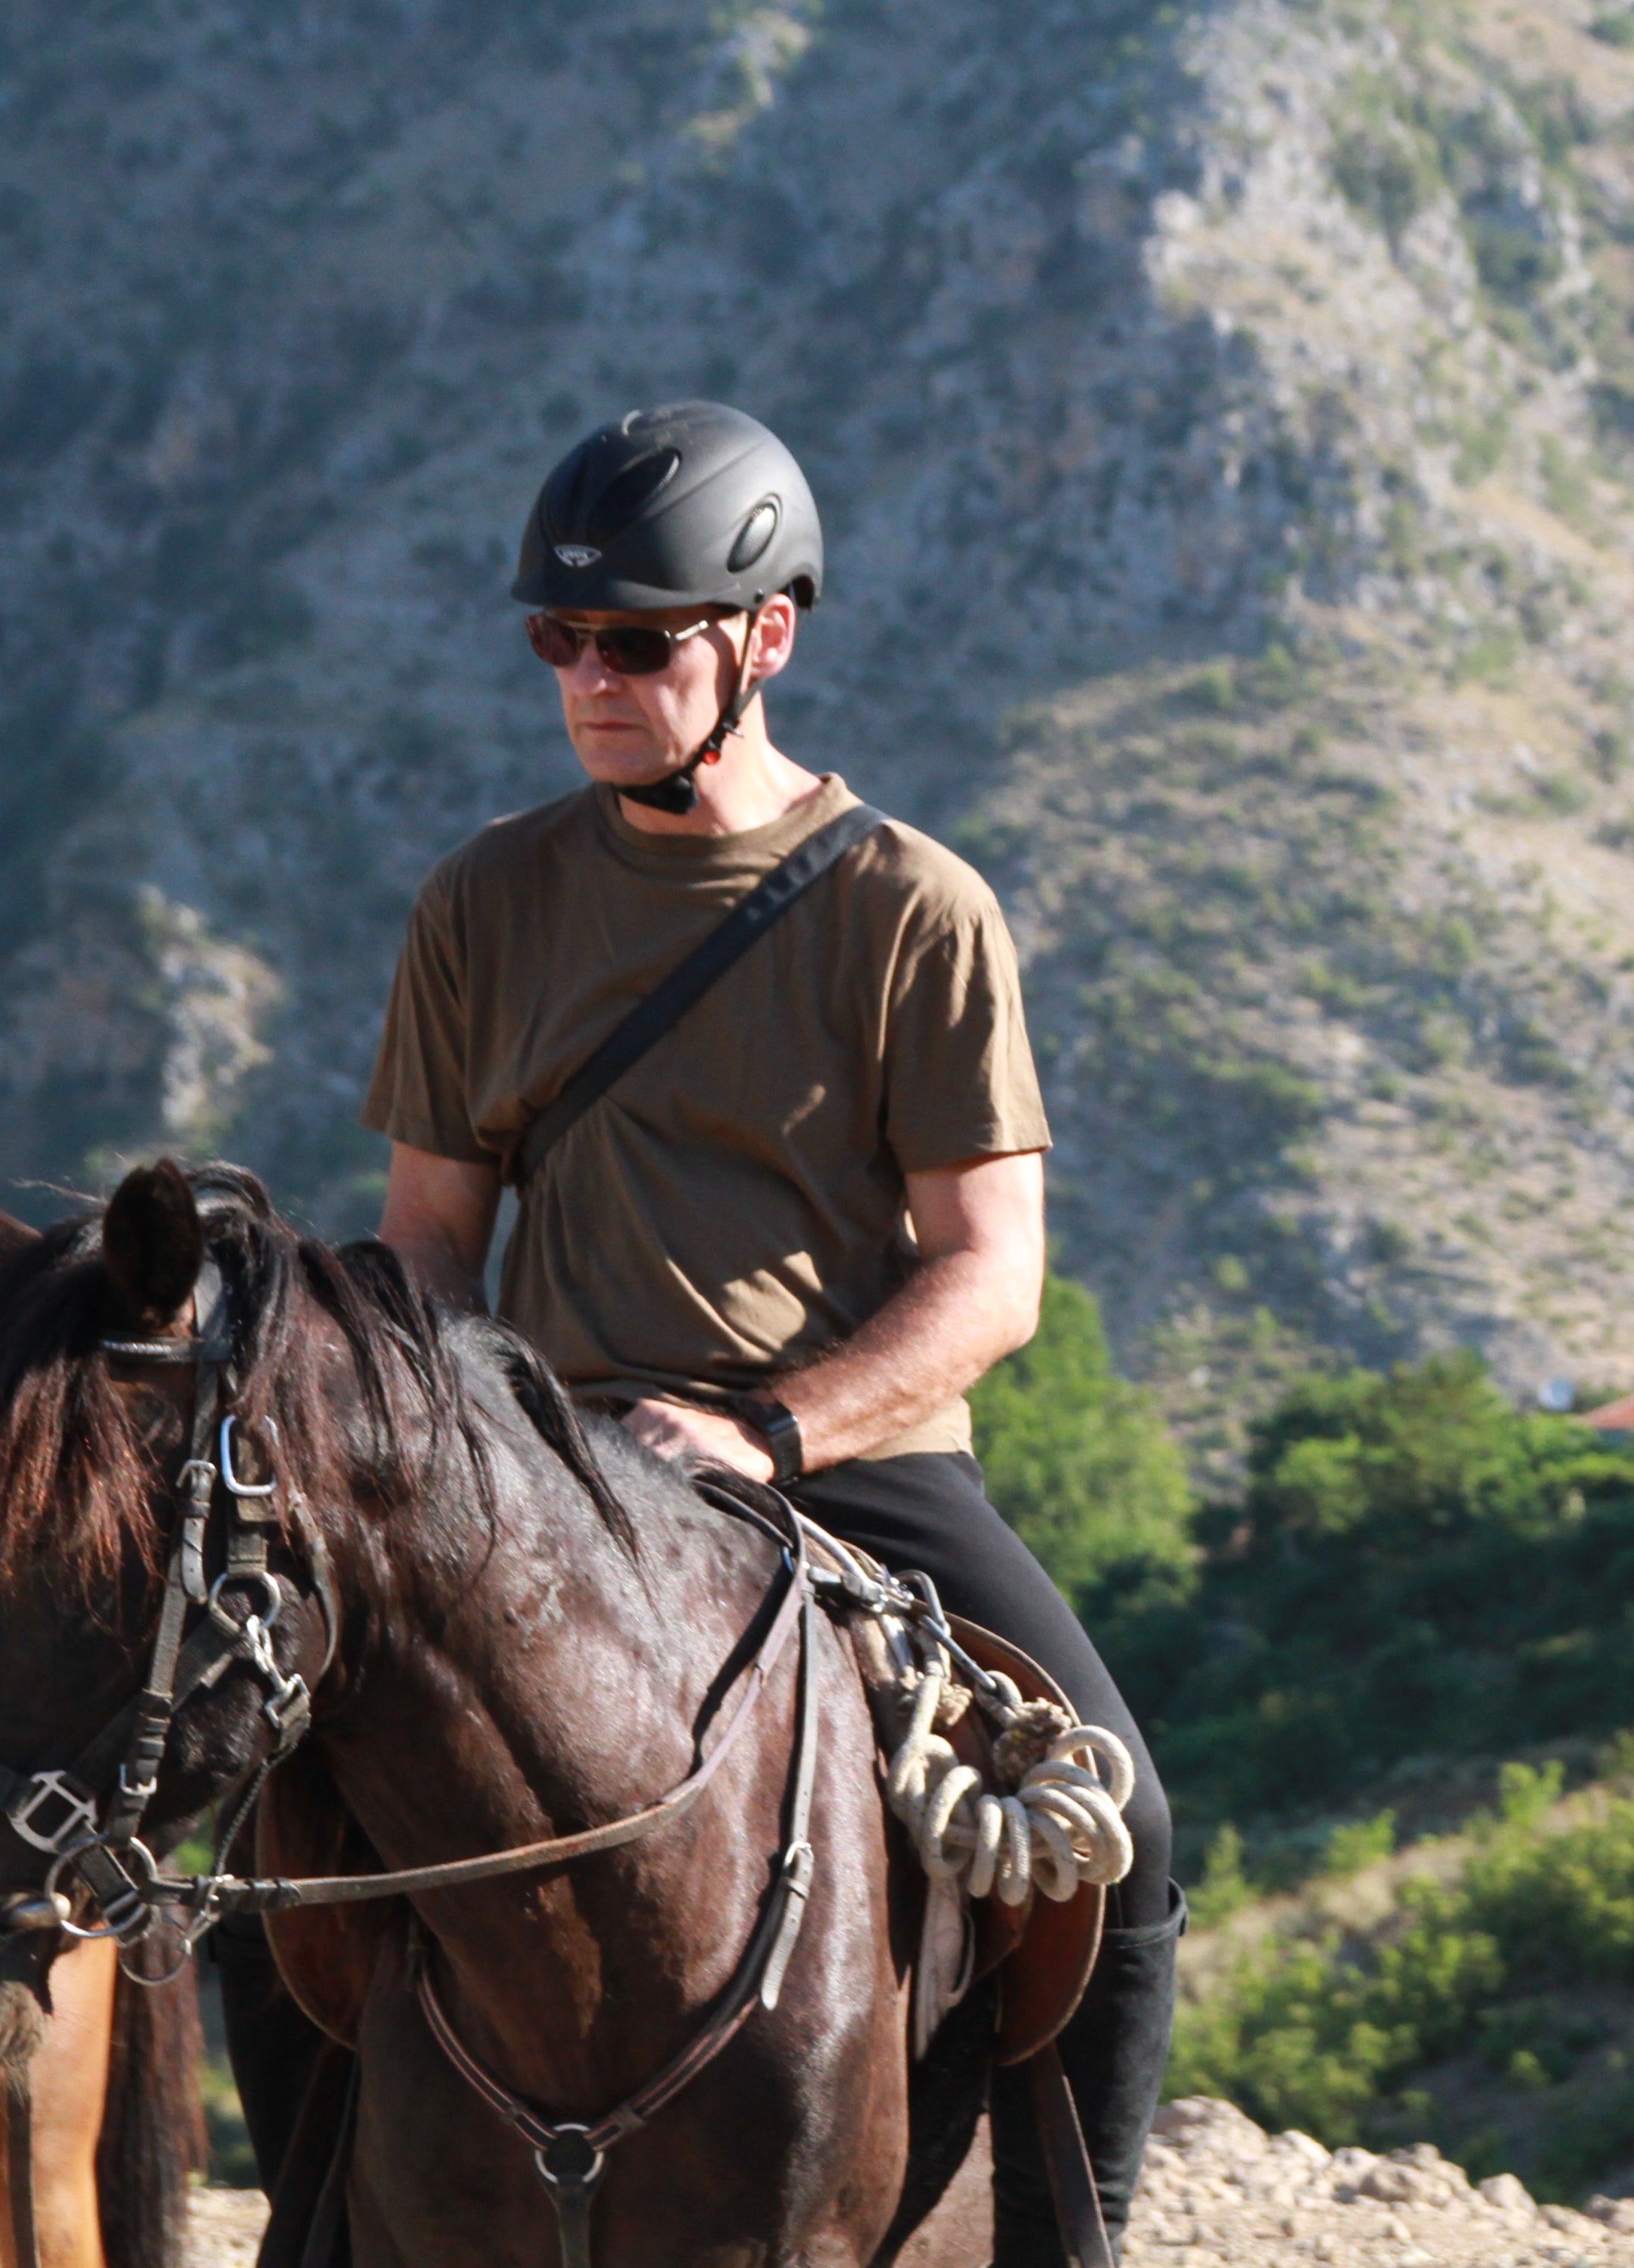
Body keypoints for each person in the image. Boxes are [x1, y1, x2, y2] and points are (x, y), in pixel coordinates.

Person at [206, 402, 1178, 2257]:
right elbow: (426, 1252)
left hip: (848, 1477)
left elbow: (994, 1274)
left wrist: (773, 1436)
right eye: (557, 642)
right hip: (533, 1486)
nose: (588, 679)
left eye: (637, 640)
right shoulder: (485, 900)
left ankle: (1073, 2238)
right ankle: (319, 2219)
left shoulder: (914, 909)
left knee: (1123, 1843)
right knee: (287, 1837)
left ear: (766, 637)